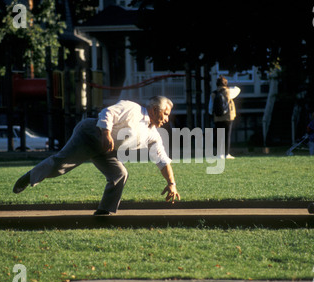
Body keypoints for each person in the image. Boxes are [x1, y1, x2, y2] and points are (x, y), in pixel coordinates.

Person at [13, 96, 180, 215]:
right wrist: (106, 133)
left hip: (107, 149)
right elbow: (107, 113)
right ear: (155, 109)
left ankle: (104, 211)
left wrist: (171, 183)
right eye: (165, 114)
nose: (167, 119)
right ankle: (28, 177)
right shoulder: (133, 109)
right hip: (91, 134)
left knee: (120, 174)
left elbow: (162, 159)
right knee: (60, 165)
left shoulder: (153, 134)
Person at [208, 75, 241, 159]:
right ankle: (227, 154)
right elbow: (238, 89)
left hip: (217, 117)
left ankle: (220, 154)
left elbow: (210, 107)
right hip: (228, 117)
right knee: (227, 135)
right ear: (225, 84)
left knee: (219, 136)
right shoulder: (229, 91)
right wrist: (228, 87)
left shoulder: (213, 93)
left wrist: (212, 114)